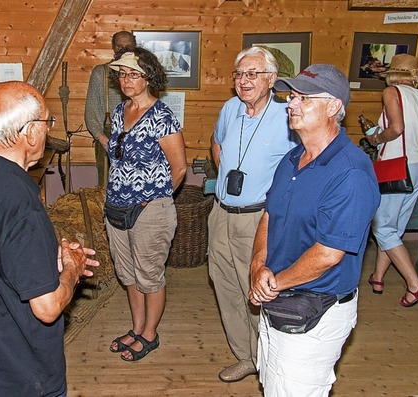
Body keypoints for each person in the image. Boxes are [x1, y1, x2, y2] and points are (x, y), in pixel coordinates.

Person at [0, 81, 99, 397]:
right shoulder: (20, 204)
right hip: (20, 377)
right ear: (29, 132)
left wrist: (44, 256)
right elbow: (47, 308)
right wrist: (71, 269)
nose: (48, 129)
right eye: (47, 122)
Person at [249, 64, 381, 396]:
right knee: (272, 384)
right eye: (292, 96)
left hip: (317, 310)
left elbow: (328, 254)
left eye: (304, 98)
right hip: (279, 299)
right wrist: (257, 265)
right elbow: (270, 216)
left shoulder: (350, 172)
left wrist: (272, 283)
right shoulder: (292, 159)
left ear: (334, 106)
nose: (291, 104)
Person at [208, 46, 297, 382]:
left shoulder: (287, 113)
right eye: (239, 74)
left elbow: (300, 166)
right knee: (226, 286)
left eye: (253, 74)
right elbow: (216, 142)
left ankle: (270, 359)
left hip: (259, 217)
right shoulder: (230, 109)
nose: (243, 81)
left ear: (271, 79)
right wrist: (229, 174)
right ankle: (246, 357)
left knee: (260, 291)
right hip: (220, 213)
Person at [96, 48, 187, 362]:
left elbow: (180, 169)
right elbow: (119, 158)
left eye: (133, 73)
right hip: (117, 207)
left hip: (150, 211)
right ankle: (136, 328)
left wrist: (154, 200)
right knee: (128, 274)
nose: (126, 79)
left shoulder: (162, 116)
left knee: (149, 276)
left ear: (149, 77)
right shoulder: (121, 111)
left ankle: (150, 334)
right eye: (122, 73)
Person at [365, 54, 418, 306]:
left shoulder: (391, 92)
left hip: (396, 165)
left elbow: (396, 128)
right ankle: (377, 277)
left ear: (392, 74)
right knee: (394, 228)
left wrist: (376, 138)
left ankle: (415, 286)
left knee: (383, 228)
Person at [85, 31, 137, 186]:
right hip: (109, 137)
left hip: (137, 136)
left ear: (134, 46)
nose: (123, 50)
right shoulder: (101, 73)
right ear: (114, 47)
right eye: (119, 46)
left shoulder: (143, 74)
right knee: (108, 187)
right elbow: (91, 113)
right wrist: (103, 140)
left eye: (128, 46)